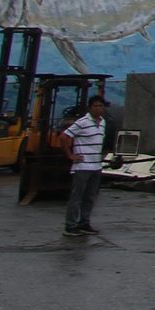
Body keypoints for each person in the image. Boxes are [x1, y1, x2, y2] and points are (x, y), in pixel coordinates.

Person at [56, 92, 108, 236]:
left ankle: (84, 223)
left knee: (90, 197)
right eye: (96, 106)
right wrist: (70, 155)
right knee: (76, 197)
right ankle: (70, 225)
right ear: (90, 108)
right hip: (82, 167)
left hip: (96, 166)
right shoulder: (82, 122)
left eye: (101, 106)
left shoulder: (102, 122)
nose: (99, 109)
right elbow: (64, 137)